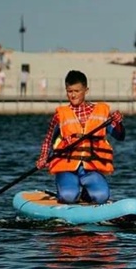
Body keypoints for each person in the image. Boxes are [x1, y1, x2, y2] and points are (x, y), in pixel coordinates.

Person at [36, 70, 126, 204]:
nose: (73, 95)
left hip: (91, 169)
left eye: (77, 91)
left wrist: (118, 123)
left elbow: (120, 136)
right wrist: (43, 157)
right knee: (68, 196)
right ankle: (66, 190)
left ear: (86, 90)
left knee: (101, 196)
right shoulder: (61, 115)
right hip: (67, 168)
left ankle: (86, 193)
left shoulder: (102, 113)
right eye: (69, 91)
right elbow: (48, 139)